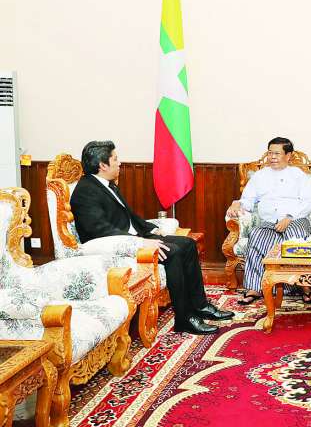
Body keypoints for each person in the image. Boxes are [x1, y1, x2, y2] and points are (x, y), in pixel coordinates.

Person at [70, 141, 234, 335]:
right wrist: (140, 242)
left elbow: (129, 216)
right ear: (102, 165)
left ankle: (201, 306)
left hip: (133, 238)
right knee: (172, 252)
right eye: (115, 159)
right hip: (114, 247)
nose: (119, 163)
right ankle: (184, 319)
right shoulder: (85, 191)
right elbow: (100, 230)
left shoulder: (106, 184)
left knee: (188, 244)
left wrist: (153, 229)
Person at [226, 137, 311, 305]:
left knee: (295, 238)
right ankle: (254, 288)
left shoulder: (298, 175)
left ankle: (304, 286)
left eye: (277, 153)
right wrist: (237, 203)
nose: (272, 157)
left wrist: (289, 217)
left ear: (288, 155)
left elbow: (308, 203)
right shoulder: (260, 176)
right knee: (256, 236)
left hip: (295, 219)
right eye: (270, 153)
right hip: (269, 223)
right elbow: (248, 200)